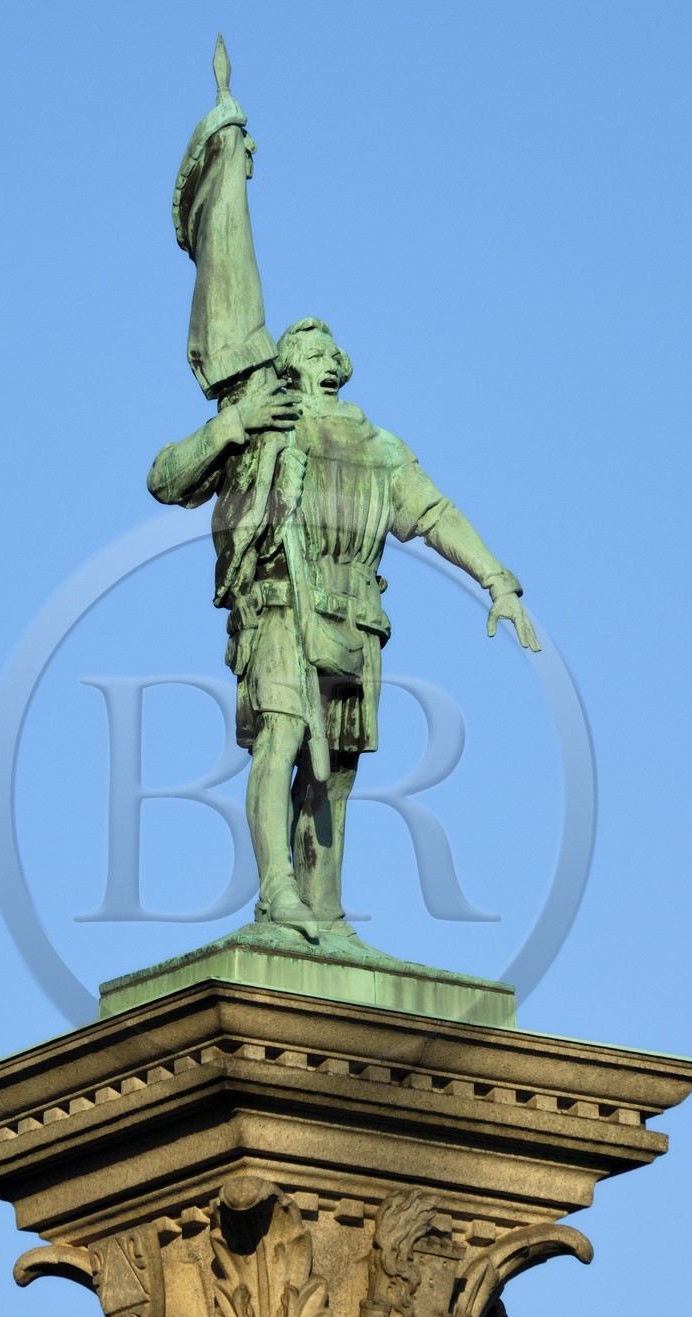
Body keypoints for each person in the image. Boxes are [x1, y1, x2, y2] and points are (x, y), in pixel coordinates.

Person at [148, 316, 540, 941]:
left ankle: (323, 907)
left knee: (339, 768)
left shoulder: (379, 446)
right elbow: (165, 478)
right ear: (287, 365)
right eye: (310, 349)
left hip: (357, 617)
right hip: (280, 604)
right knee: (283, 736)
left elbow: (435, 513)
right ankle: (277, 889)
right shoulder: (265, 431)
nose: (327, 358)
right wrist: (232, 424)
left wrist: (497, 580)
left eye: (332, 349)